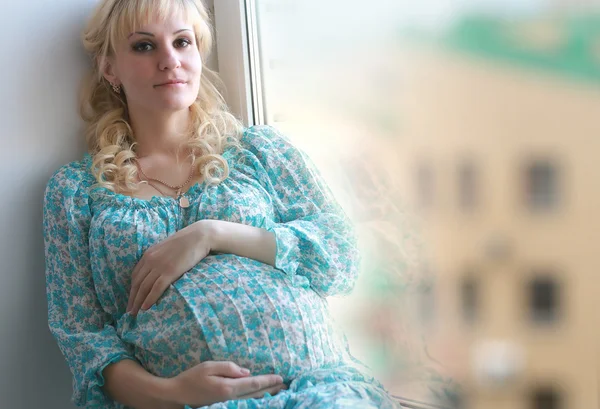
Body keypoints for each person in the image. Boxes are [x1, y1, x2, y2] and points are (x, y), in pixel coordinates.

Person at [43, 0, 403, 408]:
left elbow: (340, 256)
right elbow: (82, 335)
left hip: (318, 388)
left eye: (183, 42)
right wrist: (172, 395)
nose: (170, 60)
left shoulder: (261, 151)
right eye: (145, 46)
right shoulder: (76, 191)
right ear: (110, 69)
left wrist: (213, 234)